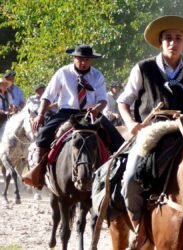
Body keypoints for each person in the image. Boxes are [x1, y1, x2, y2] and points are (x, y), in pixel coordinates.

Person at [117, 15, 183, 234]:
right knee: (130, 180)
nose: (173, 43)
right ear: (160, 42)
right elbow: (123, 101)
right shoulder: (143, 68)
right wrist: (131, 124)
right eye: (168, 38)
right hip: (149, 133)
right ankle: (138, 227)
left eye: (178, 38)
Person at [22, 44, 125, 189]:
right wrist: (40, 114)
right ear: (74, 58)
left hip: (90, 113)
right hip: (67, 112)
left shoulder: (97, 75)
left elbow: (103, 99)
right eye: (79, 59)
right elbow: (48, 96)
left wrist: (97, 109)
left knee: (117, 140)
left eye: (87, 59)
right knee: (43, 136)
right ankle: (38, 174)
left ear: (91, 60)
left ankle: (119, 177)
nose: (83, 63)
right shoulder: (63, 73)